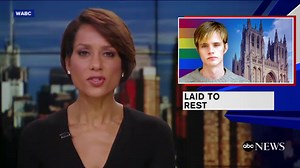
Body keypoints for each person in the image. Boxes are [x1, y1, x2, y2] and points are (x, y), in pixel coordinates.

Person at [18, 8, 175, 168]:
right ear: (68, 63)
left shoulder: (154, 134)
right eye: (84, 52)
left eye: (108, 54)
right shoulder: (37, 136)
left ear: (123, 64)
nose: (96, 65)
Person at [179, 21, 249, 83]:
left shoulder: (244, 84)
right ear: (197, 50)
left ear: (225, 47)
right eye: (204, 46)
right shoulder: (183, 82)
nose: (211, 51)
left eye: (216, 45)